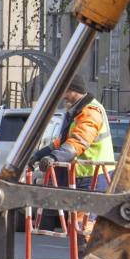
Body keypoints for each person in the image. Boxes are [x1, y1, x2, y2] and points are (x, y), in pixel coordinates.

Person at [31, 75, 113, 244]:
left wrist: (54, 157)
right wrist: (39, 155)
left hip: (92, 178)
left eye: (67, 91)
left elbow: (78, 142)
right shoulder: (77, 111)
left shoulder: (90, 112)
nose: (64, 96)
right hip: (84, 178)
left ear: (76, 91)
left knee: (85, 230)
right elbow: (62, 141)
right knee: (78, 229)